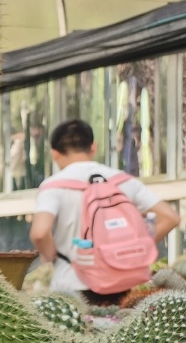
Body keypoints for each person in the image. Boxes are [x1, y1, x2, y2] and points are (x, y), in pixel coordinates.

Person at [31, 119, 179, 304]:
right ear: (93, 147)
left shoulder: (53, 186)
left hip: (71, 284)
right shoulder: (123, 180)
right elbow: (170, 217)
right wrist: (137, 248)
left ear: (54, 154)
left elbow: (39, 232)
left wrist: (50, 256)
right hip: (121, 282)